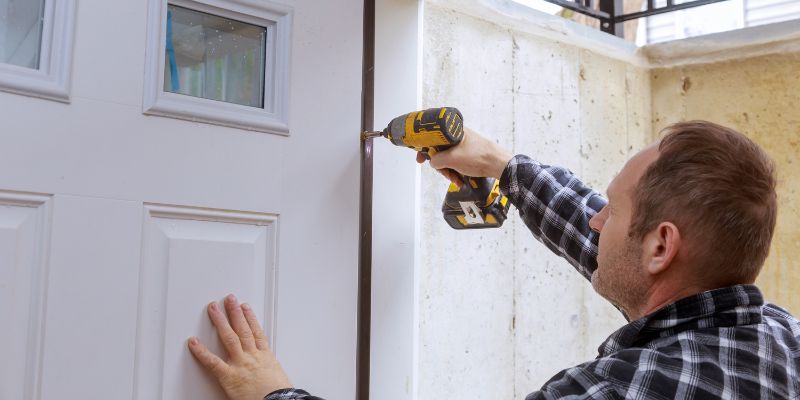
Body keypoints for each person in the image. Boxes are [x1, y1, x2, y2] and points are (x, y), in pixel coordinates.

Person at [188, 121, 800, 399]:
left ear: (663, 245)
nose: (594, 220)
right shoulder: (781, 337)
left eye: (609, 208)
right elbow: (615, 252)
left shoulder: (625, 391)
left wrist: (272, 396)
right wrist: (502, 166)